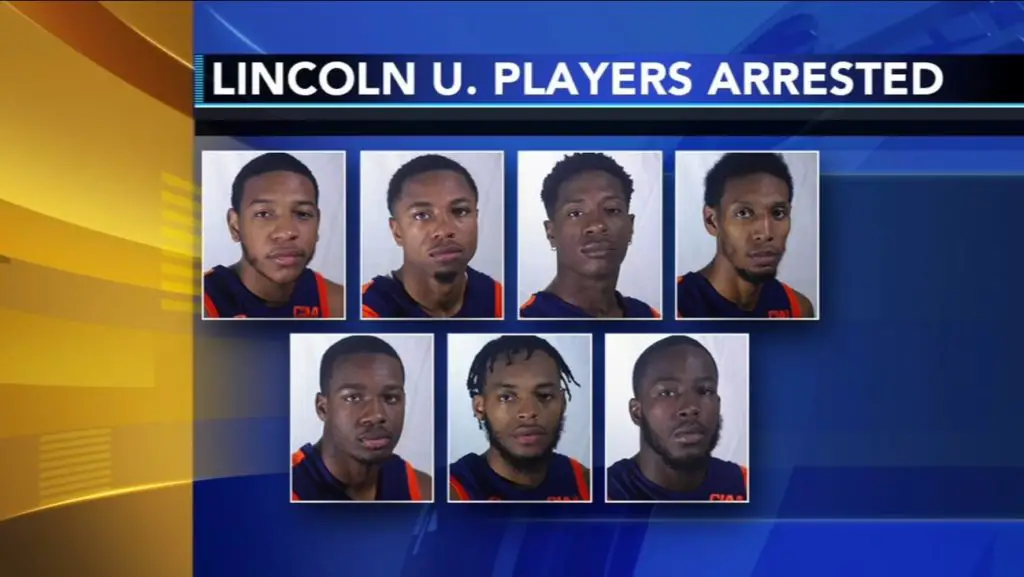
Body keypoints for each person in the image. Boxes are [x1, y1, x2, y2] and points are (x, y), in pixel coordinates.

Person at [203, 152, 344, 319]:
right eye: (263, 214)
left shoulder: (340, 303)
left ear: (317, 223)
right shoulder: (202, 302)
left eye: (303, 214)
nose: (286, 232)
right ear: (235, 225)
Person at [449, 335, 590, 501]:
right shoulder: (450, 490)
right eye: (507, 397)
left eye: (544, 396)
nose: (529, 412)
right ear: (480, 406)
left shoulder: (585, 482)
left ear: (563, 403)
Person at [607, 335, 748, 502]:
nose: (690, 408)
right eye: (667, 393)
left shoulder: (747, 485)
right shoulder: (602, 492)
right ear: (637, 411)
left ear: (718, 404)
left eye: (705, 391)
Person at [519, 152, 659, 319]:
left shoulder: (649, 317)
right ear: (551, 232)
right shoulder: (526, 320)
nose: (597, 225)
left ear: (631, 226)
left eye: (612, 210)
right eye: (575, 213)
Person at [292, 335, 432, 501]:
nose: (376, 415)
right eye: (353, 398)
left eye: (390, 397)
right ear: (323, 408)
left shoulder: (421, 490)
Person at [361, 154, 503, 319]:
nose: (444, 230)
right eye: (421, 215)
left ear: (476, 218)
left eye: (460, 211)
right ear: (397, 231)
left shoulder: (500, 301)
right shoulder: (365, 309)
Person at [676, 152, 814, 319]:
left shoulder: (797, 308)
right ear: (712, 221)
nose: (766, 233)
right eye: (743, 213)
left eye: (778, 213)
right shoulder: (676, 303)